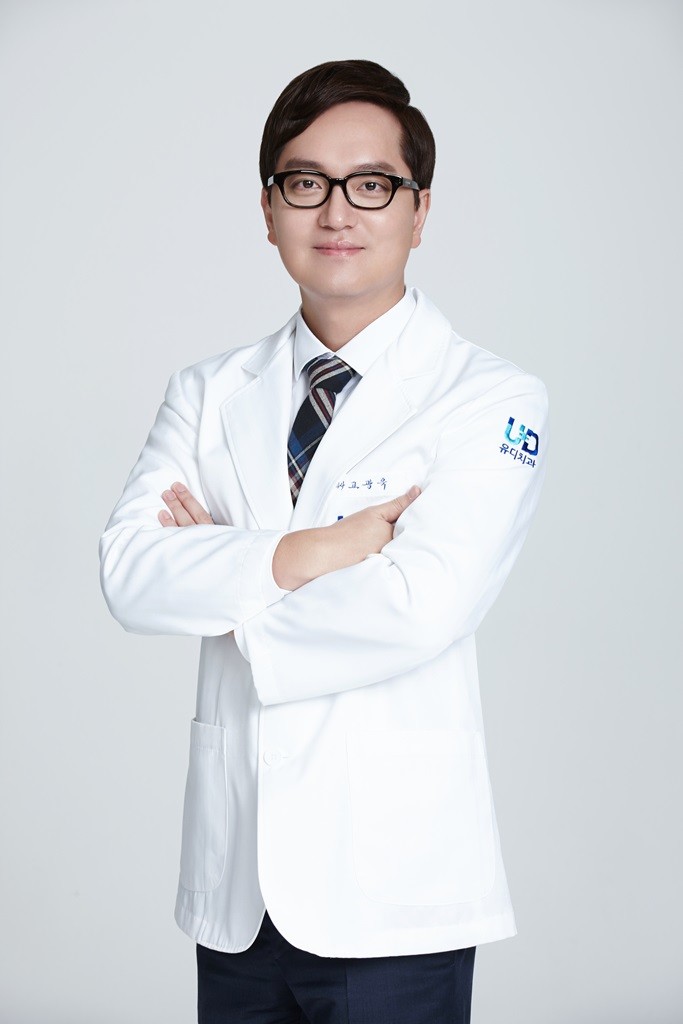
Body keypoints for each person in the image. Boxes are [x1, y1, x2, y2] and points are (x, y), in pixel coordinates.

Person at [99, 59, 549, 1024]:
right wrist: (315, 551)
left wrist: (224, 578)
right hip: (239, 889)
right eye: (305, 183)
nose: (337, 211)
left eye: (371, 184)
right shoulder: (206, 391)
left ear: (419, 212)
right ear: (268, 210)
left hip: (392, 888)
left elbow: (419, 607)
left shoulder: (489, 398)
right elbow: (131, 575)